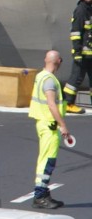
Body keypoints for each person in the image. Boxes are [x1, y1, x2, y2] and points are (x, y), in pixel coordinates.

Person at [29, 50, 69, 209]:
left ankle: (43, 193)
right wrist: (63, 125)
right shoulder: (50, 81)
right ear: (58, 61)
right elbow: (52, 104)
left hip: (42, 123)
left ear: (46, 60)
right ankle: (39, 196)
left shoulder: (41, 75)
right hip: (49, 126)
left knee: (45, 159)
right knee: (47, 162)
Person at [62, 0, 92, 114]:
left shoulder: (90, 8)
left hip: (90, 53)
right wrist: (77, 52)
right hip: (82, 53)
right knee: (76, 78)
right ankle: (68, 103)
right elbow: (75, 33)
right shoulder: (80, 10)